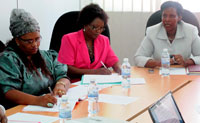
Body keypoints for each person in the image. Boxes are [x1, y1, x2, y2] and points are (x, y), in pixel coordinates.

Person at [0, 9, 70, 109]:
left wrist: (61, 85)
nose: (34, 45)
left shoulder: (46, 56)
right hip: (22, 109)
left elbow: (63, 76)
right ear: (17, 40)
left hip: (48, 106)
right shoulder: (8, 60)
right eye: (29, 41)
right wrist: (37, 100)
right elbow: (9, 92)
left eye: (37, 39)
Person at [58, 4, 121, 80]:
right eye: (94, 27)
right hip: (75, 83)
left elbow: (113, 61)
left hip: (97, 83)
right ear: (85, 24)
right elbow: (67, 69)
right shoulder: (69, 39)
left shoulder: (104, 40)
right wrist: (95, 72)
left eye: (101, 28)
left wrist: (119, 69)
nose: (98, 31)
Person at [134, 1, 200, 68]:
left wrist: (187, 62)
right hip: (160, 73)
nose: (167, 19)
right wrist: (158, 63)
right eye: (164, 16)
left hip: (184, 73)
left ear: (179, 17)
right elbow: (138, 57)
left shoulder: (191, 31)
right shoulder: (152, 31)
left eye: (172, 16)